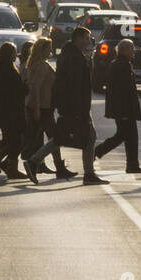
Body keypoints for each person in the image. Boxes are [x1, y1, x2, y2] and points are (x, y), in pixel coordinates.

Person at [25, 27, 106, 185]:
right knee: (88, 137)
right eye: (87, 38)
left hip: (70, 105)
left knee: (64, 136)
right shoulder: (74, 57)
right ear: (79, 38)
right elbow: (74, 85)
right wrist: (79, 109)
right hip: (75, 106)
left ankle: (34, 162)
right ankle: (88, 174)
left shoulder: (68, 54)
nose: (89, 41)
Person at [23, 36, 74, 178]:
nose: (50, 51)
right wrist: (38, 108)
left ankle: (42, 164)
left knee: (40, 137)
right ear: (42, 49)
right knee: (55, 137)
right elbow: (36, 88)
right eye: (48, 48)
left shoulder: (35, 63)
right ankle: (46, 165)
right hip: (43, 107)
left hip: (40, 106)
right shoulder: (41, 65)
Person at [95, 37, 141, 173]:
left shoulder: (120, 63)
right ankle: (97, 152)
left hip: (124, 108)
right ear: (125, 50)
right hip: (124, 109)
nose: (134, 51)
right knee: (128, 137)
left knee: (125, 136)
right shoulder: (122, 65)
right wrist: (123, 112)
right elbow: (121, 90)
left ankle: (132, 164)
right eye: (132, 48)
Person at [0, 42, 28, 179]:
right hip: (12, 110)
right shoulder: (8, 70)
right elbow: (15, 90)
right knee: (15, 140)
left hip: (3, 108)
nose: (17, 55)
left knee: (9, 139)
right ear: (10, 54)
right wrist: (25, 87)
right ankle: (11, 168)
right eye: (15, 52)